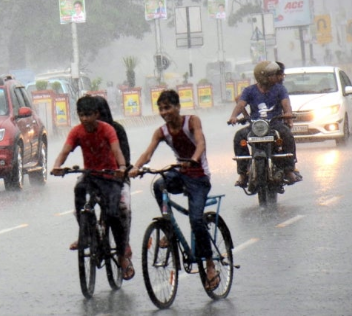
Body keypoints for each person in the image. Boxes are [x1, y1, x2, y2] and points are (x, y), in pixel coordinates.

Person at [128, 89, 219, 291]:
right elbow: (148, 153)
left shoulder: (192, 121)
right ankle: (168, 225)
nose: (164, 112)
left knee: (196, 220)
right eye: (161, 109)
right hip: (180, 174)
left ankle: (210, 265)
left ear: (178, 107)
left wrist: (193, 160)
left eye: (168, 107)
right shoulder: (161, 132)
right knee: (159, 184)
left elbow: (201, 142)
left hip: (199, 177)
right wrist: (136, 167)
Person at [51, 96, 133, 280]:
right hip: (91, 175)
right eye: (82, 115)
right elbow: (65, 151)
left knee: (114, 213)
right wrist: (57, 166)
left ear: (97, 114)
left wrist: (121, 169)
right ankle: (86, 235)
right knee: (79, 191)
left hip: (111, 177)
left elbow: (118, 152)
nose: (85, 119)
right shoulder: (77, 132)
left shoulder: (110, 130)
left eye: (89, 114)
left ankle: (122, 255)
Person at [227, 61, 299, 190]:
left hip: (274, 124)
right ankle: (243, 173)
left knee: (287, 135)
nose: (276, 77)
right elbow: (241, 104)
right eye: (272, 75)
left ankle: (289, 170)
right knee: (239, 137)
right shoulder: (249, 90)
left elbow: (286, 104)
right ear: (263, 77)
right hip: (255, 125)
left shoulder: (279, 89)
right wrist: (233, 116)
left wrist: (288, 114)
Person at [95, 96, 133, 261]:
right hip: (96, 177)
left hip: (117, 177)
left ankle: (123, 244)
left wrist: (120, 170)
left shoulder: (117, 130)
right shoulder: (85, 131)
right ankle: (88, 235)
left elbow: (124, 157)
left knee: (122, 207)